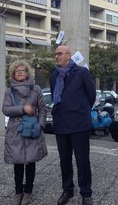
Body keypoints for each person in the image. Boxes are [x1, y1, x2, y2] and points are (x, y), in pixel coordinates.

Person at [50, 45, 96, 205]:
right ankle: (67, 190)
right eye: (56, 54)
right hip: (61, 123)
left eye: (60, 54)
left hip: (79, 124)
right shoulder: (54, 75)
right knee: (64, 159)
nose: (56, 56)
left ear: (69, 56)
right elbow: (55, 98)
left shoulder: (81, 72)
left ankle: (86, 193)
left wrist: (80, 110)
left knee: (82, 160)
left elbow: (91, 95)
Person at [2, 60, 47, 205]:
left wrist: (40, 125)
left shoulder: (36, 89)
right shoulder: (9, 91)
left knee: (31, 161)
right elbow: (6, 109)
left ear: (27, 72)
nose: (20, 72)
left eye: (22, 70)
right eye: (17, 71)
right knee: (18, 163)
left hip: (32, 129)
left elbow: (43, 109)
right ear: (13, 74)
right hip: (15, 130)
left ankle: (28, 192)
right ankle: (18, 192)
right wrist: (23, 109)